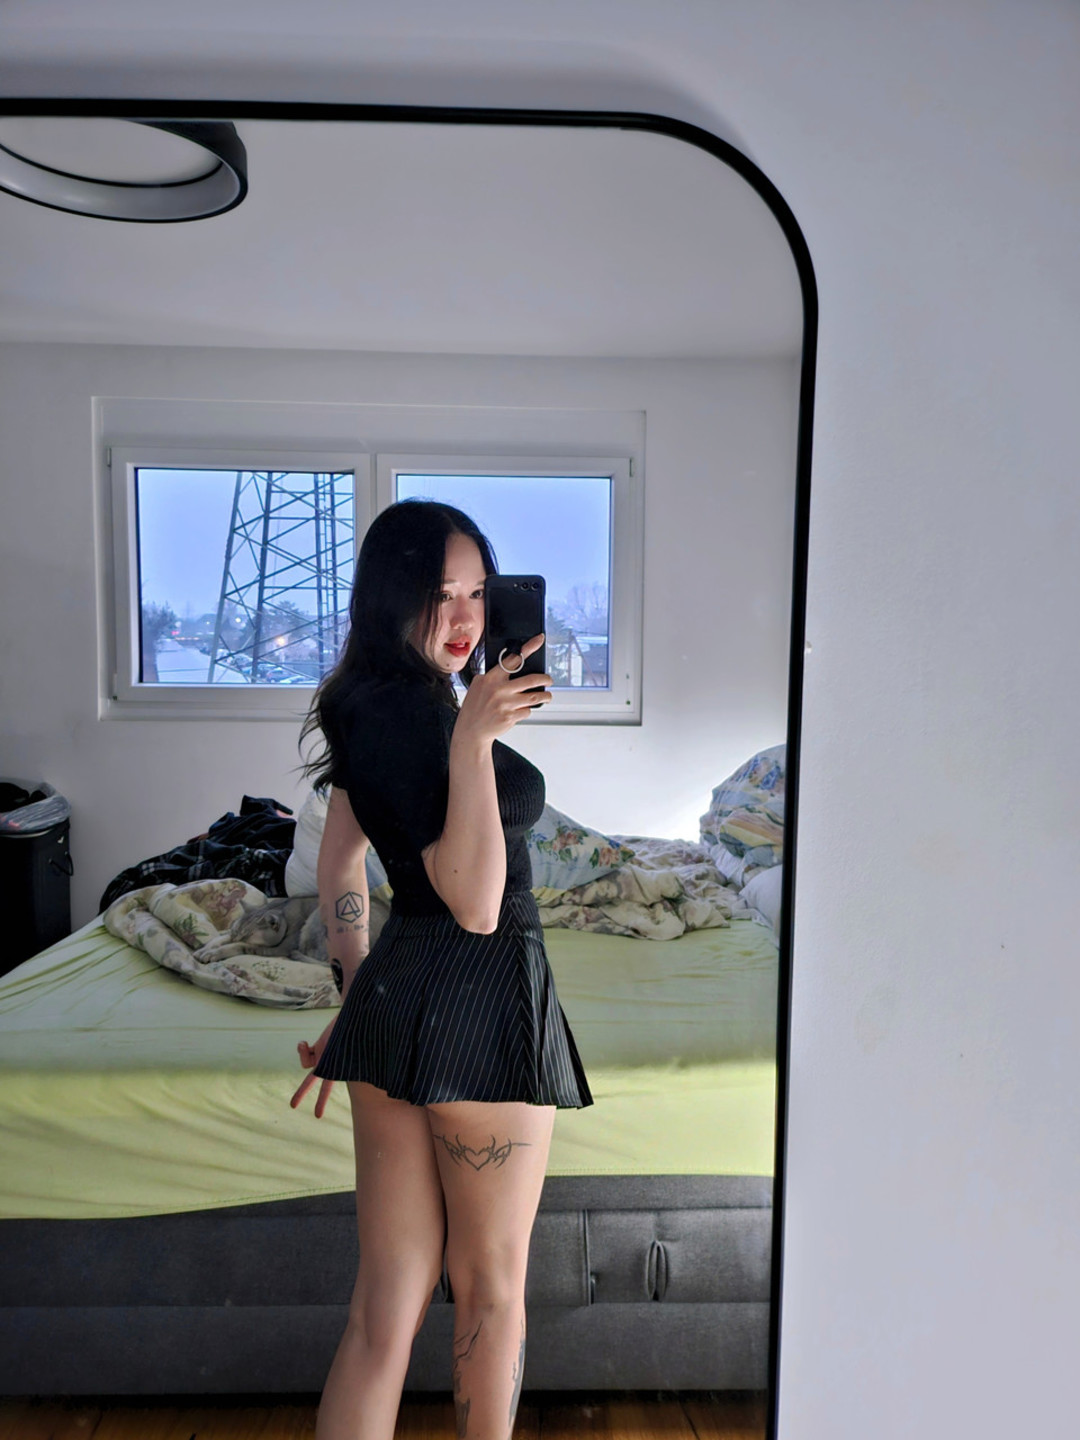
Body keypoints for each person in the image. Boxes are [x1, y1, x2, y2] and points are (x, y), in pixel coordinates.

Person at [291, 498, 592, 1440]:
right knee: (491, 1290)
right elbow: (476, 904)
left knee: (383, 1309)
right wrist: (475, 739)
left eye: (476, 592)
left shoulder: (364, 702)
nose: (465, 618)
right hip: (484, 1002)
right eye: (439, 594)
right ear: (392, 598)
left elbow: (340, 864)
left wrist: (355, 995)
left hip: (394, 1004)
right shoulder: (432, 717)